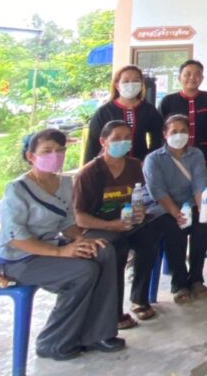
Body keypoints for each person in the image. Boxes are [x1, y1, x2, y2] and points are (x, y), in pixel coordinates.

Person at [0, 130, 123, 362]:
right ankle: (53, 341)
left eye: (60, 150)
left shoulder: (64, 182)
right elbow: (14, 237)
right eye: (47, 151)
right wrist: (61, 251)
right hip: (15, 258)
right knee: (82, 271)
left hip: (47, 247)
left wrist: (80, 240)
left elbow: (67, 222)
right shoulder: (17, 189)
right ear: (31, 156)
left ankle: (98, 334)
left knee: (103, 251)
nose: (55, 156)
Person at [74, 120, 163, 328]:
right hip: (97, 227)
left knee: (150, 238)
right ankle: (113, 313)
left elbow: (139, 196)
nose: (122, 142)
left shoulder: (134, 166)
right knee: (117, 249)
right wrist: (111, 225)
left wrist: (140, 211)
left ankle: (139, 298)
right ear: (103, 142)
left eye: (127, 138)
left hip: (127, 222)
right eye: (116, 138)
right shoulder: (89, 173)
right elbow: (79, 217)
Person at [143, 114, 207, 302]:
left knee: (202, 226)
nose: (178, 135)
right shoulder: (153, 159)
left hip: (190, 203)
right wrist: (175, 213)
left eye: (183, 131)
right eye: (174, 131)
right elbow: (158, 192)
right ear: (165, 134)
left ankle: (196, 278)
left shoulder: (196, 154)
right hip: (163, 208)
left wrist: (203, 208)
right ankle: (179, 283)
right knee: (173, 229)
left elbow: (199, 185)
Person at [83, 65, 163, 163]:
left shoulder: (148, 110)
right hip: (110, 165)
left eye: (136, 80)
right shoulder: (104, 112)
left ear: (141, 84)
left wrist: (149, 159)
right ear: (117, 85)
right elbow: (92, 144)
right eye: (126, 81)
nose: (131, 84)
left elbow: (158, 138)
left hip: (140, 165)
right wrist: (89, 167)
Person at [158, 60, 207, 175]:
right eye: (187, 74)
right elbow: (160, 130)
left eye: (197, 74)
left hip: (205, 156)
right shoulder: (168, 101)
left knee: (203, 185)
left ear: (202, 78)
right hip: (174, 157)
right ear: (179, 78)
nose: (192, 77)